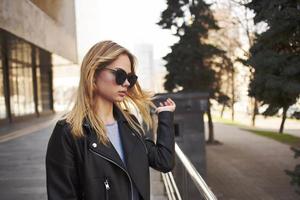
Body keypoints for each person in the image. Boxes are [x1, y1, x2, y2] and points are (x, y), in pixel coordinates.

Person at [45, 40, 176, 200]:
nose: (127, 83)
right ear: (93, 75)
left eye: (130, 78)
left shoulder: (131, 124)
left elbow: (164, 161)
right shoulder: (68, 132)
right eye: (120, 75)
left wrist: (165, 116)